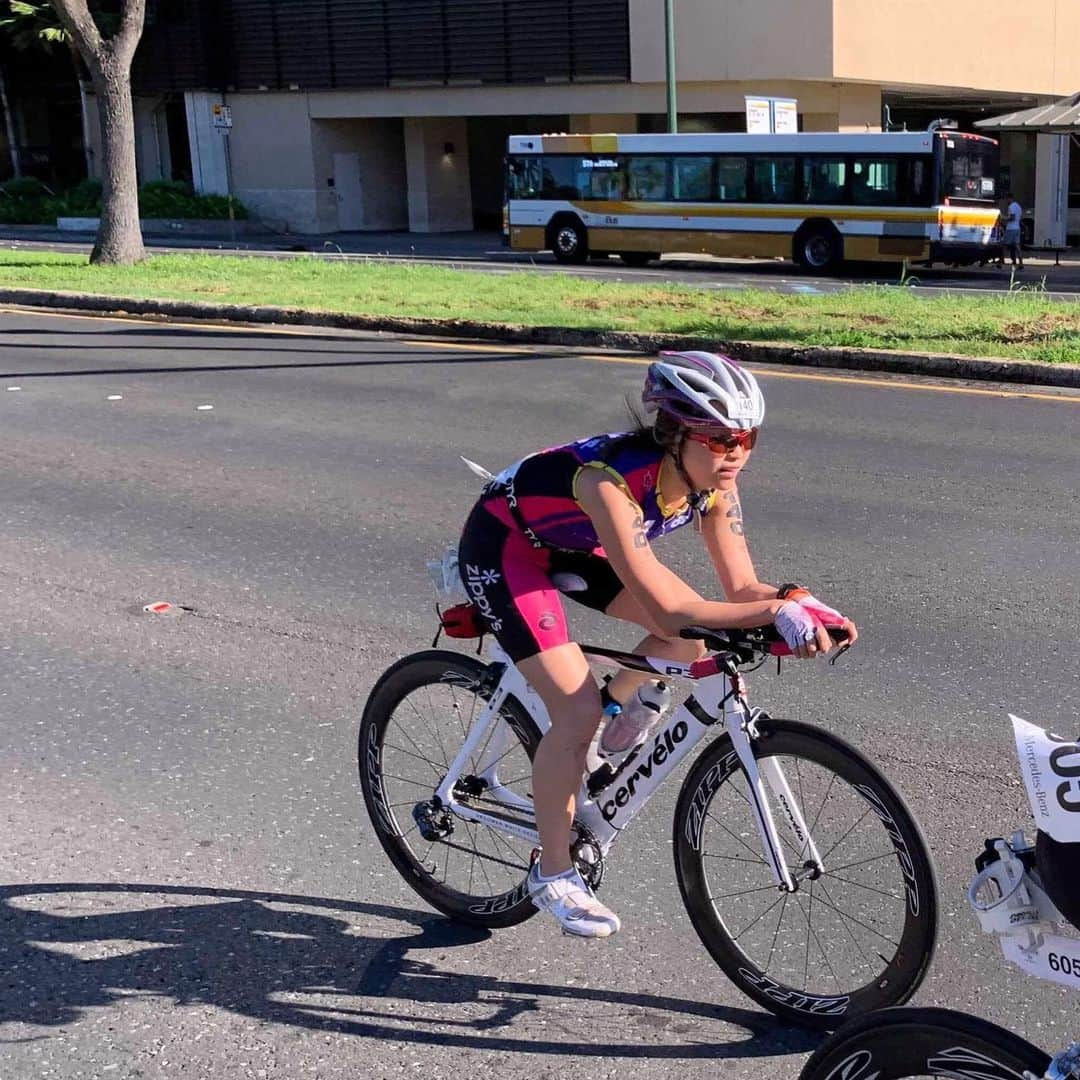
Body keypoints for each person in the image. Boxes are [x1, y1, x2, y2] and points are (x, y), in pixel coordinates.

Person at [457, 351, 858, 938]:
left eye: (747, 437)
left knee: (689, 644)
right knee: (575, 710)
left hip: (572, 544)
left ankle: (615, 707)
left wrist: (804, 601)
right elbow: (672, 608)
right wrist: (775, 613)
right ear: (674, 434)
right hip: (507, 547)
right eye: (720, 439)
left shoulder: (717, 485)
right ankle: (553, 872)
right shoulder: (608, 483)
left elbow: (741, 587)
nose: (737, 453)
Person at [1002, 191, 1024, 269]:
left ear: (1009, 198)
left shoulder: (1011, 207)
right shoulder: (1018, 206)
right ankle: (1021, 262)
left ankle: (1000, 262)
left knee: (1004, 245)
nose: (1006, 201)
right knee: (1017, 246)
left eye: (1006, 199)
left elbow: (1012, 217)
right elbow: (1020, 218)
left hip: (1011, 228)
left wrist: (1003, 217)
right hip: (1017, 228)